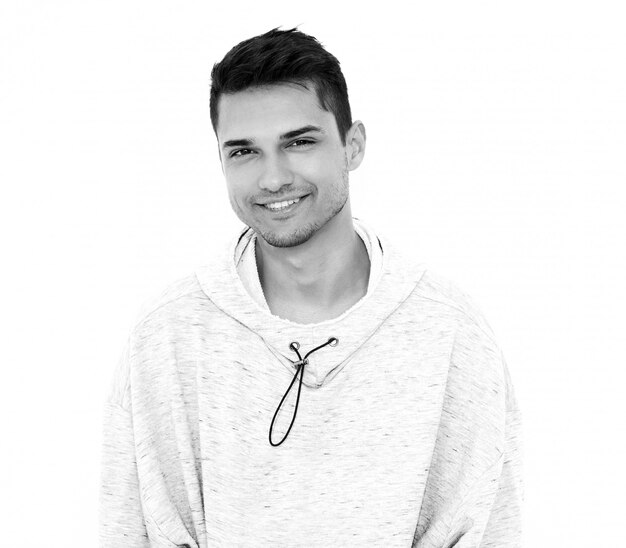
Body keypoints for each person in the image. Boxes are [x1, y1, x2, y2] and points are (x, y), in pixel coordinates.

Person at [99, 27, 524, 547]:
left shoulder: (450, 333)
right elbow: (131, 531)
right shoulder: (167, 337)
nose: (273, 178)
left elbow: (486, 531)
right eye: (243, 152)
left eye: (298, 142)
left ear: (353, 145)